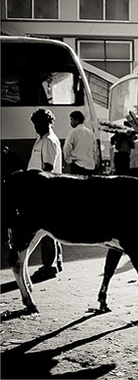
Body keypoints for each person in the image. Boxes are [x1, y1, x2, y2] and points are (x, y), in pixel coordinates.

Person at [27, 109, 63, 280]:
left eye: (41, 123)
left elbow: (47, 168)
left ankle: (49, 266)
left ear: (49, 122)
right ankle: (57, 262)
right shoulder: (41, 139)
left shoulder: (48, 141)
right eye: (35, 124)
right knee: (51, 229)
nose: (37, 127)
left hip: (45, 191)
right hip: (43, 190)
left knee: (46, 230)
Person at [63, 110, 97, 175]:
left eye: (71, 120)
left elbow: (66, 147)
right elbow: (94, 150)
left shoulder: (73, 132)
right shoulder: (91, 133)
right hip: (90, 166)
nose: (70, 122)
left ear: (77, 120)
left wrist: (68, 160)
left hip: (77, 165)